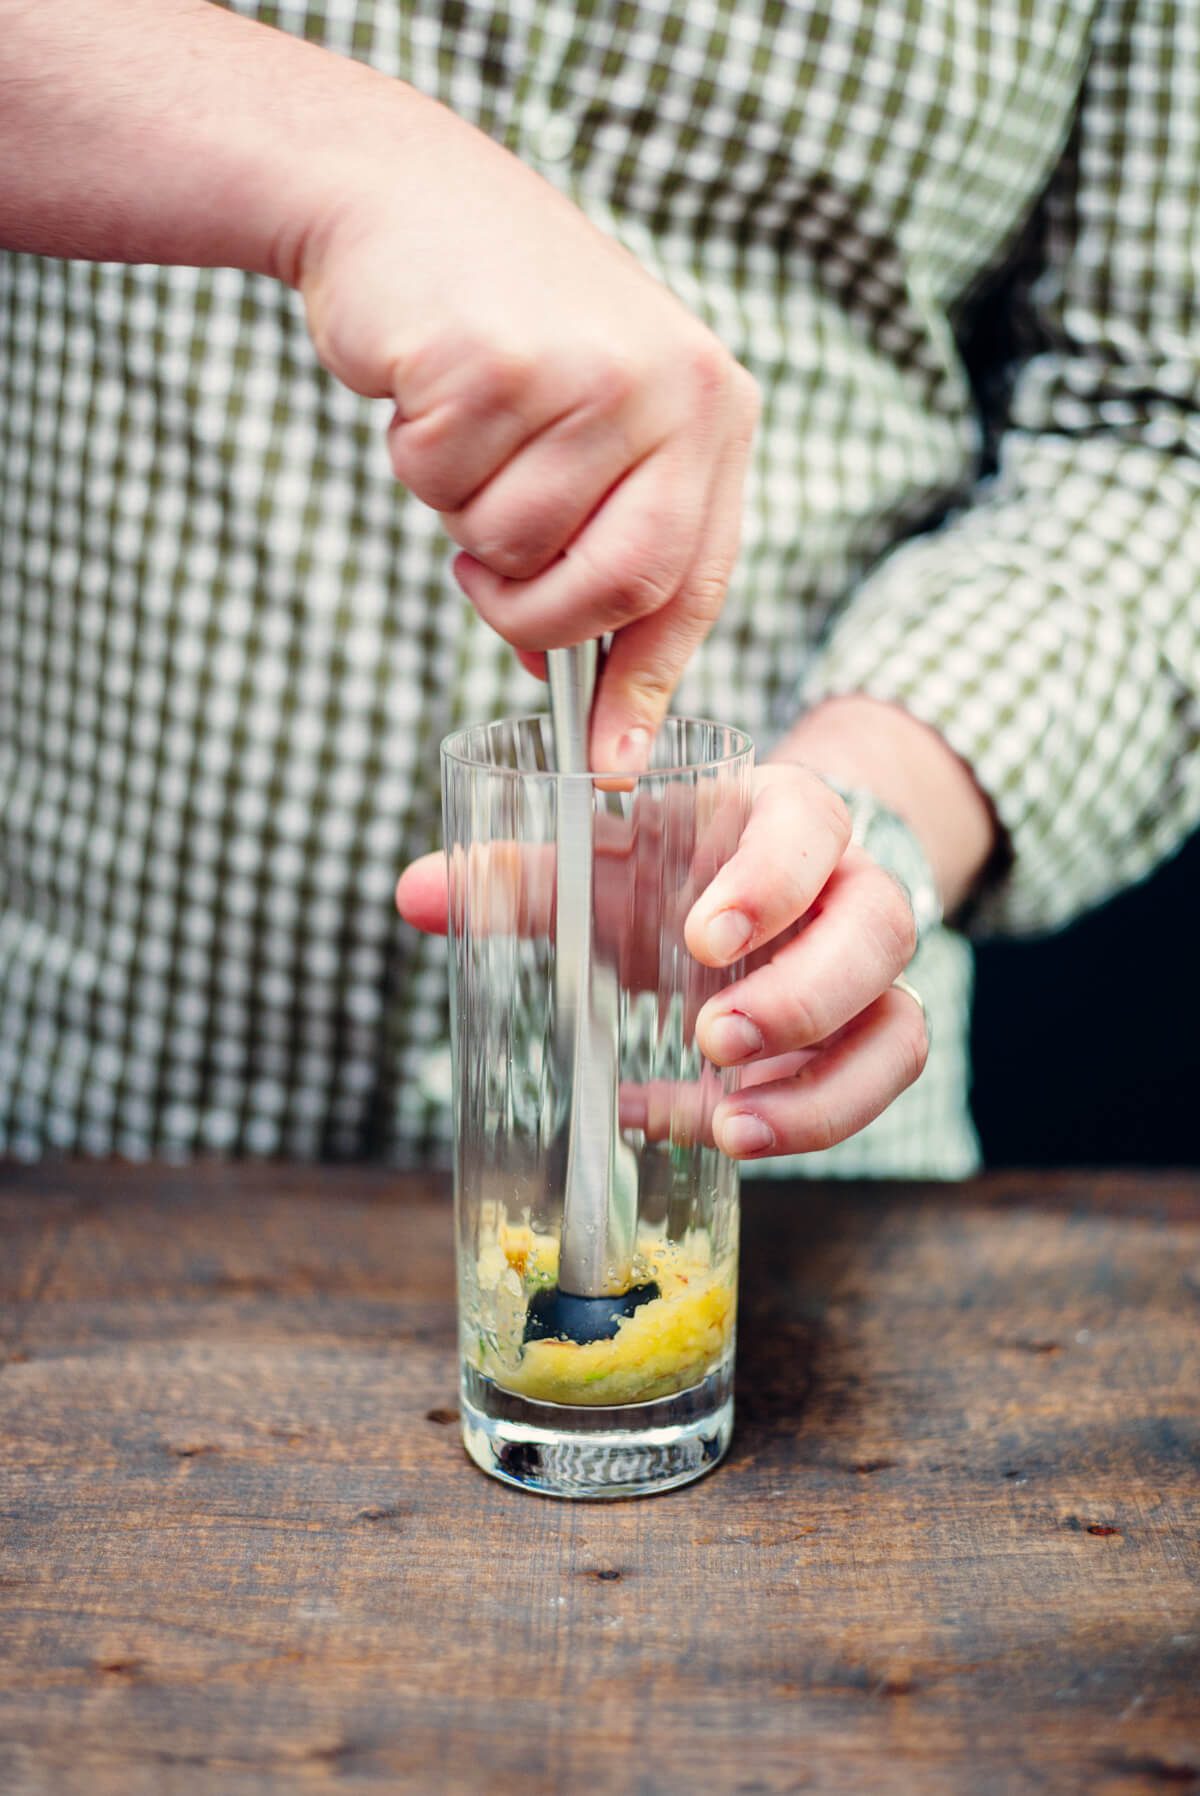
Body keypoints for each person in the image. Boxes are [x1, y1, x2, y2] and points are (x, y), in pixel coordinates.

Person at [0, 0, 1195, 1173]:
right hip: (67, 1160)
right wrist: (350, 160)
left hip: (776, 1169)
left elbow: (1159, 434)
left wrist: (863, 814)